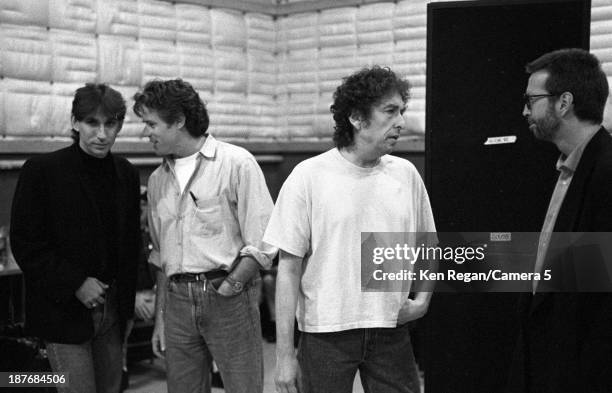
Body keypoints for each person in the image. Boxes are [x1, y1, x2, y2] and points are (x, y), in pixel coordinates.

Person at [264, 66, 437, 393]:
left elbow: (428, 243)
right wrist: (284, 356)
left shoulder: (406, 174)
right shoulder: (309, 176)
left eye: (402, 111)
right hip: (325, 334)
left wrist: (423, 300)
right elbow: (287, 270)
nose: (401, 122)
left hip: (391, 329)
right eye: (390, 111)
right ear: (357, 118)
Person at [133, 79, 277, 393]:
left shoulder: (237, 164)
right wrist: (160, 317)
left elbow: (265, 241)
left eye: (151, 123)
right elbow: (160, 257)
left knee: (244, 388)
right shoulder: (157, 180)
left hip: (227, 295)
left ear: (179, 120)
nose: (146, 132)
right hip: (176, 302)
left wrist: (231, 287)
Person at [10, 83, 141, 393]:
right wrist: (75, 283)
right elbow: (26, 244)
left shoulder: (127, 173)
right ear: (75, 123)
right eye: (92, 123)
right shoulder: (42, 170)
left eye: (111, 124)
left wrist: (128, 307)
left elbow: (130, 246)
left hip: (113, 311)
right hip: (63, 311)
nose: (102, 133)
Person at [512, 48, 612, 392]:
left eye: (531, 99)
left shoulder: (606, 172)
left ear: (564, 102)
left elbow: (600, 298)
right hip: (550, 357)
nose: (525, 110)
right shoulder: (566, 166)